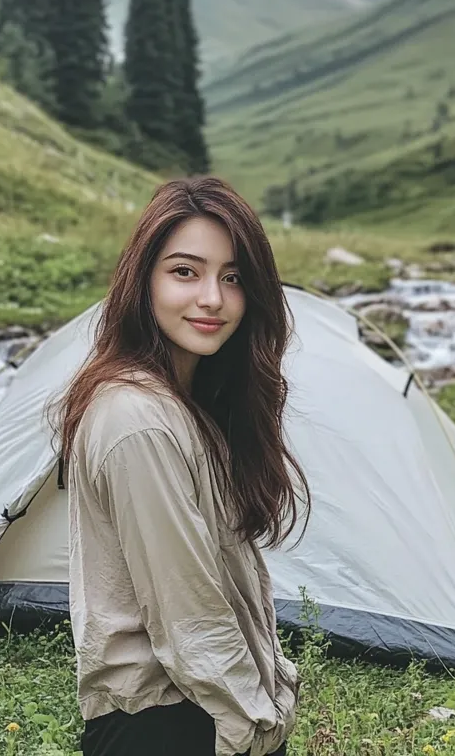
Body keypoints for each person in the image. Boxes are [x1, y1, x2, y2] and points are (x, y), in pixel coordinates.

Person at [53, 175, 311, 756]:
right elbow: (186, 609)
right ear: (142, 281)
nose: (213, 299)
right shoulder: (137, 420)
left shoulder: (190, 403)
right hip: (171, 726)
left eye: (233, 277)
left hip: (198, 711)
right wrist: (258, 721)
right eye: (185, 272)